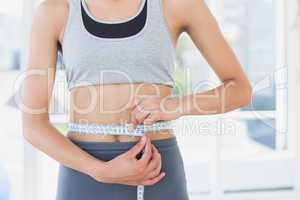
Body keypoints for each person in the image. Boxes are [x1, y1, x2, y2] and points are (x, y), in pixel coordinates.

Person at [21, 0, 252, 199]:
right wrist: (99, 171)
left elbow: (240, 90)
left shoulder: (177, 5)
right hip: (84, 172)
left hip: (155, 168)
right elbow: (33, 125)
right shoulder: (55, 11)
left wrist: (174, 105)